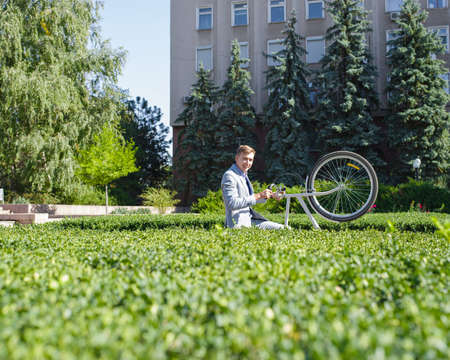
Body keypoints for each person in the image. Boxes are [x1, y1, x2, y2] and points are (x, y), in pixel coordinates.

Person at [221, 145, 285, 229]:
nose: (248, 163)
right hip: (238, 224)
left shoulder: (243, 174)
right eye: (245, 159)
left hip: (251, 220)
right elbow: (232, 203)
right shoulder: (229, 176)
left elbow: (248, 199)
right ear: (236, 158)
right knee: (283, 229)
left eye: (250, 160)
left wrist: (271, 195)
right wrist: (258, 195)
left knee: (284, 228)